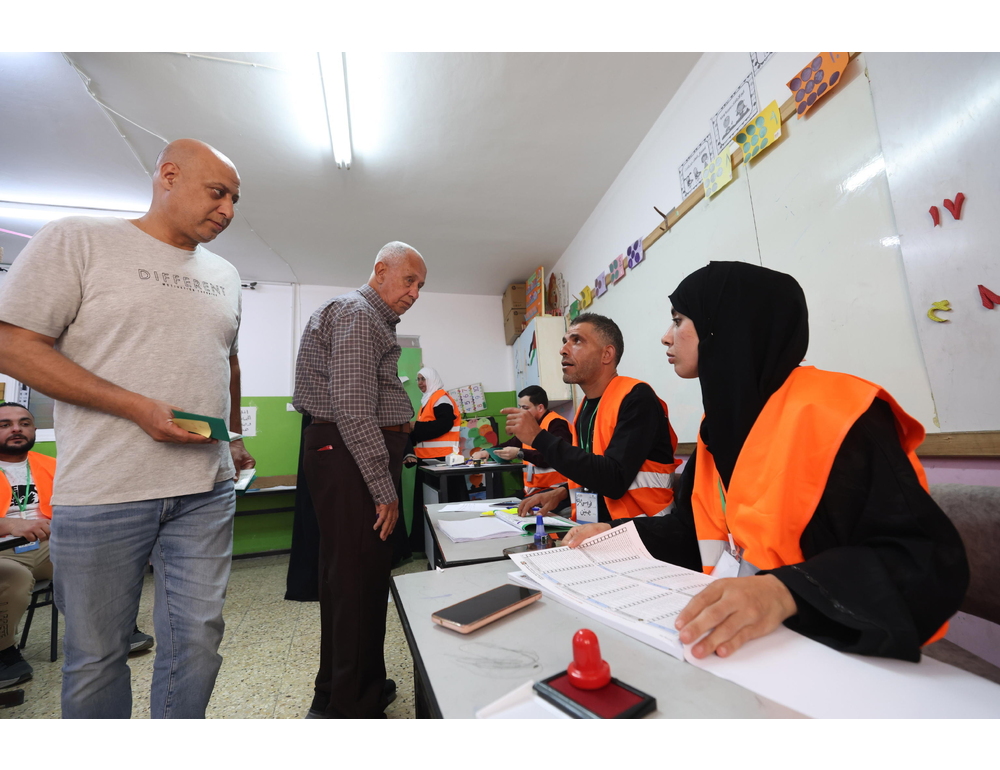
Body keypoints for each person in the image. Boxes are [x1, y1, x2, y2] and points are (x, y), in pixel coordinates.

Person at [563, 261, 969, 662]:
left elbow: (922, 561)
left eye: (679, 319)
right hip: (746, 648)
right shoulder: (716, 430)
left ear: (724, 324)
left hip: (837, 651)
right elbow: (691, 533)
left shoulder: (836, 413)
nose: (666, 338)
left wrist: (784, 590)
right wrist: (614, 534)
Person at [0, 139, 255, 717]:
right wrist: (135, 406)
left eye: (236, 199)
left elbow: (228, 361)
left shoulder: (226, 273)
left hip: (205, 492)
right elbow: (12, 344)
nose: (229, 210)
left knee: (198, 644)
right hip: (103, 494)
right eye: (218, 192)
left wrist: (234, 437)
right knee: (95, 657)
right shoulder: (79, 240)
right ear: (168, 175)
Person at [293, 241, 427, 719]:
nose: (414, 293)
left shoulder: (367, 318)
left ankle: (347, 686)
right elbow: (352, 407)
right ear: (380, 270)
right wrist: (384, 488)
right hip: (351, 453)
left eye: (421, 286)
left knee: (353, 579)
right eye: (408, 280)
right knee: (355, 582)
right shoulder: (358, 313)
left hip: (345, 451)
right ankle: (351, 708)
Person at [0, 403, 154, 691]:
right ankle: (4, 653)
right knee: (13, 576)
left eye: (24, 423)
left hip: (50, 543)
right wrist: (8, 525)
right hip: (4, 552)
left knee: (97, 555)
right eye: (5, 425)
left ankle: (114, 631)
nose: (16, 429)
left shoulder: (51, 465)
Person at [503, 313, 679, 523]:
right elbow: (593, 471)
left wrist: (538, 437)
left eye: (577, 340)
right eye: (565, 342)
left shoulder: (638, 398)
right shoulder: (586, 407)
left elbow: (614, 479)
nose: (563, 350)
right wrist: (561, 493)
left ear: (606, 354)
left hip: (645, 533)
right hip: (600, 530)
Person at [471, 385, 572, 496]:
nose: (521, 412)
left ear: (540, 408)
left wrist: (520, 453)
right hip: (534, 490)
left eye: (525, 408)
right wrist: (487, 452)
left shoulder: (556, 424)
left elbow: (555, 456)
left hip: (556, 491)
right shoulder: (529, 426)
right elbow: (512, 443)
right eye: (520, 407)